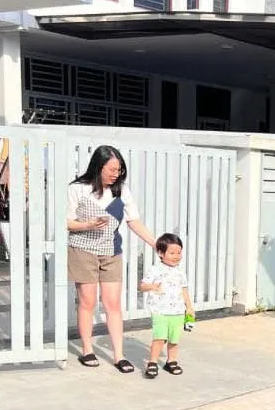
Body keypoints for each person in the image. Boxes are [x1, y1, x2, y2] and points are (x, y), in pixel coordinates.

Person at [67, 145, 157, 373]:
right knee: (87, 301)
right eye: (112, 169)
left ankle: (119, 355)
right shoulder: (78, 189)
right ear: (98, 166)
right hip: (82, 249)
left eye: (119, 170)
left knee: (113, 304)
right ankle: (87, 349)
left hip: (111, 251)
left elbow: (133, 221)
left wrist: (156, 243)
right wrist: (87, 225)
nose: (116, 174)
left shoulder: (121, 191)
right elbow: (66, 222)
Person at [139, 233, 194, 379]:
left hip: (178, 312)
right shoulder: (155, 270)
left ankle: (171, 361)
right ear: (161, 253)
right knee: (159, 338)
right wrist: (151, 286)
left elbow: (184, 290)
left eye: (179, 252)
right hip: (160, 311)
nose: (176, 256)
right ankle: (152, 363)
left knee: (174, 339)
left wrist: (189, 307)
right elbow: (142, 286)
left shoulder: (180, 273)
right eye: (172, 253)